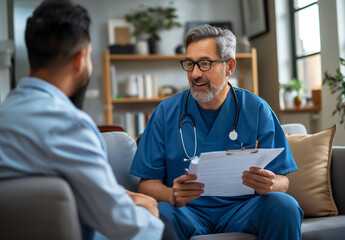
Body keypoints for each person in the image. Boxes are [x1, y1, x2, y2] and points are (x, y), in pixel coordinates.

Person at [0, 0, 169, 239]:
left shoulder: (6, 112)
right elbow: (119, 222)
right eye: (90, 55)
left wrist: (125, 195)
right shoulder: (69, 124)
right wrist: (153, 218)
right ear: (80, 60)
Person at [130, 24, 304, 240]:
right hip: (186, 211)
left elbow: (282, 180)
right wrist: (171, 195)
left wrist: (270, 184)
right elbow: (145, 184)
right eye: (190, 64)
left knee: (285, 206)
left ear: (229, 66)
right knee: (159, 214)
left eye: (205, 64)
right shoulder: (165, 112)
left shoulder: (257, 109)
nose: (194, 74)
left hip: (242, 209)